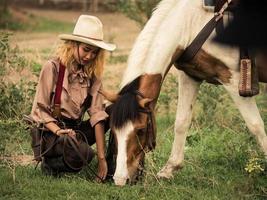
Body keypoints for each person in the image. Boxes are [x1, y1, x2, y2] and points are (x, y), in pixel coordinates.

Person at [29, 15, 116, 181]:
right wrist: (59, 131)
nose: (89, 56)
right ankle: (51, 164)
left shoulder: (92, 75)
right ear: (73, 45)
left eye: (94, 52)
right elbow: (39, 111)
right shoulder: (52, 68)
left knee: (113, 112)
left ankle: (112, 163)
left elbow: (97, 115)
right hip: (52, 132)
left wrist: (102, 158)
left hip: (76, 131)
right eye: (86, 49)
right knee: (84, 154)